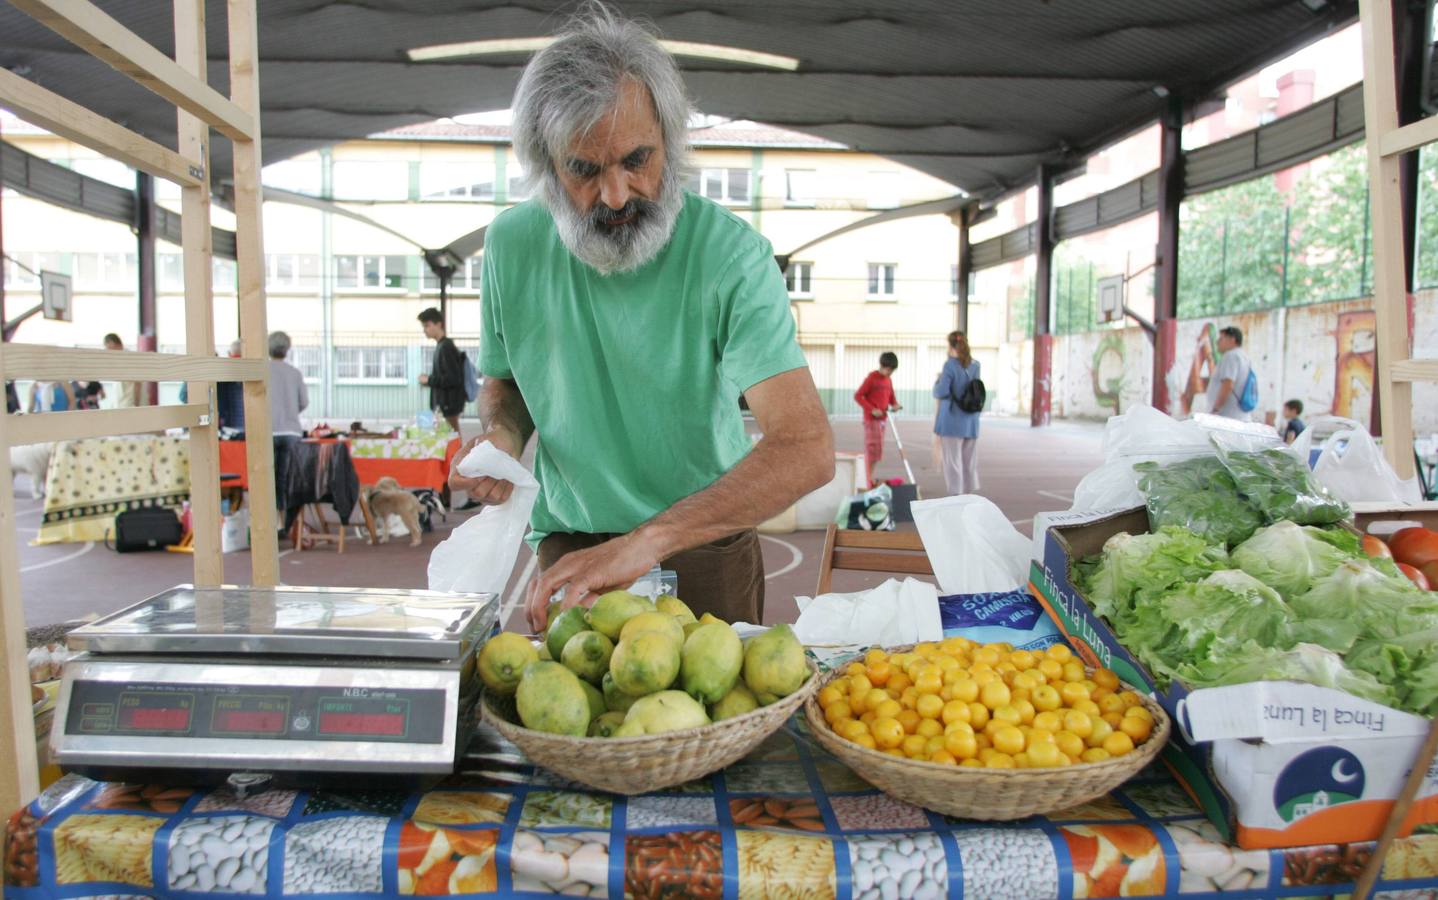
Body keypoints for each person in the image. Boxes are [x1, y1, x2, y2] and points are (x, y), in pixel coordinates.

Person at [450, 2, 833, 630]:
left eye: (637, 160)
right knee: (573, 725)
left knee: (717, 726)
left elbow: (807, 446)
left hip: (702, 542)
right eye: (584, 169)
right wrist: (503, 438)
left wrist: (645, 542)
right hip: (570, 546)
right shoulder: (512, 245)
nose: (616, 195)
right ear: (547, 166)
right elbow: (508, 381)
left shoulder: (730, 255)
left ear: (672, 146)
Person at [933, 330, 981, 495]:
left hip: (952, 421)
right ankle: (968, 494)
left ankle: (955, 495)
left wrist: (938, 380)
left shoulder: (949, 366)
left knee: (952, 461)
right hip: (971, 421)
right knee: (969, 462)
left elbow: (941, 392)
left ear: (950, 345)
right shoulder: (975, 365)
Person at [268, 331, 308, 510]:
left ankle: (271, 520)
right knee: (288, 477)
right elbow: (304, 402)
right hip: (292, 431)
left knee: (268, 478)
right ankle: (286, 520)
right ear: (287, 349)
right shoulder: (295, 373)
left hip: (268, 430)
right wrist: (291, 412)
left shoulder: (262, 370)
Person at [417, 308, 466, 436]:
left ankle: (458, 456)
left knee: (452, 439)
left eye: (427, 325)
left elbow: (453, 378)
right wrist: (429, 380)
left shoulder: (446, 347)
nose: (425, 330)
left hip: (448, 404)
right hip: (446, 404)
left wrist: (429, 380)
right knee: (451, 438)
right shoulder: (442, 346)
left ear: (438, 324)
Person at [855, 351, 901, 487]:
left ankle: (869, 478)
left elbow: (891, 396)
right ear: (881, 365)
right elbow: (858, 396)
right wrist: (871, 409)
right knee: (871, 450)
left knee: (877, 452)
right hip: (871, 420)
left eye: (892, 371)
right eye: (888, 369)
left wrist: (895, 404)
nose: (889, 373)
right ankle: (866, 480)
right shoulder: (872, 378)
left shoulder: (888, 380)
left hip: (883, 420)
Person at [1197, 325, 1252, 421]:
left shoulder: (1231, 356)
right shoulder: (1243, 357)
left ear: (1232, 339)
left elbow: (1228, 384)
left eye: (1221, 339)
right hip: (1238, 416)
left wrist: (1216, 409)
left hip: (1227, 416)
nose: (1217, 342)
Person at [103, 333, 145, 408]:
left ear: (112, 343)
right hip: (123, 404)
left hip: (130, 404)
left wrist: (136, 404)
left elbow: (137, 383)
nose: (107, 352)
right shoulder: (118, 360)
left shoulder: (129, 358)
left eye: (107, 348)